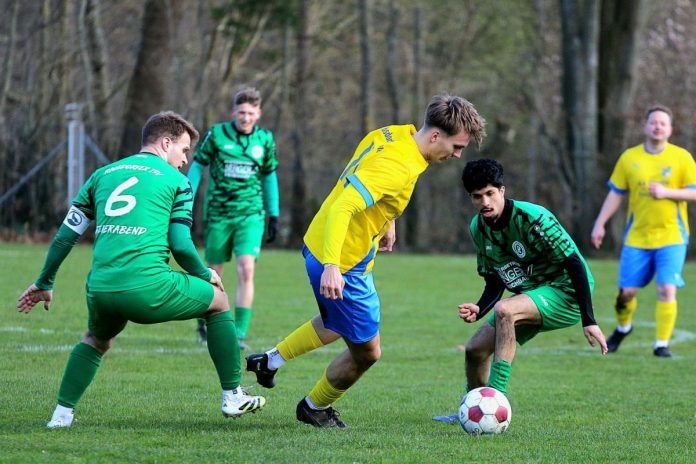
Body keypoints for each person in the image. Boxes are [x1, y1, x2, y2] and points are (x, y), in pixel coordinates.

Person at [244, 94, 487, 428]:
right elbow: (345, 205)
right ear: (435, 136)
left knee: (338, 322)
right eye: (456, 146)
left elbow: (361, 176)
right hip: (341, 260)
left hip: (324, 243)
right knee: (368, 352)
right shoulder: (399, 166)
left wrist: (388, 220)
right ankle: (314, 407)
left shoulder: (394, 134)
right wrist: (333, 266)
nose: (457, 155)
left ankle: (270, 361)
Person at [17, 111, 265, 429]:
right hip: (147, 288)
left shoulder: (102, 174)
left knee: (96, 340)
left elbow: (65, 236)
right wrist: (206, 274)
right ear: (166, 143)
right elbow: (180, 244)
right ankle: (233, 396)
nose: (185, 160)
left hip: (101, 288)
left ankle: (61, 415)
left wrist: (45, 281)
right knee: (218, 302)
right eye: (184, 150)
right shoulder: (176, 181)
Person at [433, 158, 607, 423]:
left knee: (506, 309)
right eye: (477, 196)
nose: (485, 202)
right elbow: (496, 278)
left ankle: (495, 399)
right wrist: (480, 307)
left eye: (490, 193)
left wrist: (589, 320)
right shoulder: (478, 228)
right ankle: (473, 410)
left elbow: (574, 263)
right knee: (475, 350)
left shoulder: (532, 218)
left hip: (567, 293)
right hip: (533, 294)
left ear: (502, 190)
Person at [591, 105, 696, 357]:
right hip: (637, 237)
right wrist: (600, 223)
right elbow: (616, 193)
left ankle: (661, 345)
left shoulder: (681, 157)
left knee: (666, 288)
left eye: (663, 123)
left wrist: (667, 192)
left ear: (670, 129)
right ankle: (623, 328)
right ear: (645, 126)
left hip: (672, 236)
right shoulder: (630, 158)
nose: (657, 126)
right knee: (626, 294)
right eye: (653, 122)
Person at [188, 87, 279, 349]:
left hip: (251, 215)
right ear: (233, 112)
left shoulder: (265, 139)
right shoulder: (216, 135)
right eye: (241, 112)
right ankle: (205, 322)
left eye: (250, 113)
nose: (245, 117)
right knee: (213, 272)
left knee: (246, 269)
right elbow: (197, 166)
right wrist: (186, 202)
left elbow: (269, 176)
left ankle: (239, 333)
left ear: (258, 113)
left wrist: (274, 214)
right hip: (218, 214)